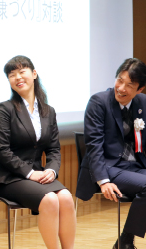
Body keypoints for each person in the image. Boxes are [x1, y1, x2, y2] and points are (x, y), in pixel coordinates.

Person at [0, 55, 76, 249]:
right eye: (12, 75)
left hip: (39, 176)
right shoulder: (5, 109)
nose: (17, 77)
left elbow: (54, 148)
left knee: (65, 197)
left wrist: (52, 170)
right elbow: (1, 150)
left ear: (34, 74)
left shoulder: (48, 111)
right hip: (10, 178)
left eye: (22, 71)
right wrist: (30, 173)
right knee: (50, 200)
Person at [77, 58, 146, 249]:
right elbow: (94, 146)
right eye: (119, 80)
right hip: (108, 167)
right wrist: (103, 180)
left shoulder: (142, 102)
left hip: (133, 165)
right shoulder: (99, 102)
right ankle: (125, 241)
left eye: (129, 85)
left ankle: (124, 239)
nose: (121, 88)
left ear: (139, 90)